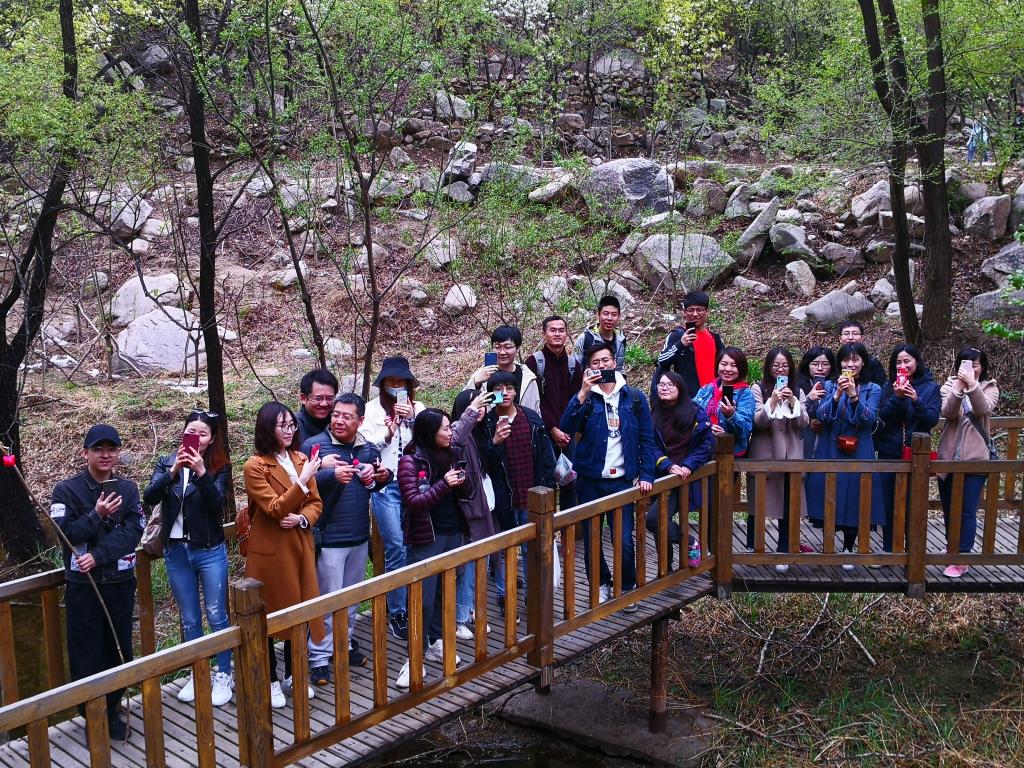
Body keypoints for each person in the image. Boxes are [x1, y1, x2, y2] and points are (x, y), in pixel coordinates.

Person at [52, 424, 143, 742]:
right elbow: (65, 533)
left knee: (119, 649)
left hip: (119, 583)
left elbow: (133, 532)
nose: (105, 455)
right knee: (86, 653)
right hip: (84, 587)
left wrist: (98, 555)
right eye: (98, 449)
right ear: (85, 453)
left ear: (118, 453)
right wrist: (97, 514)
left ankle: (113, 709)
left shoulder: (128, 490)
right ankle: (93, 716)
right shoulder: (66, 491)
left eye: (111, 449)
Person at [143, 411, 233, 707]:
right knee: (190, 618)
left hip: (208, 550)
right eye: (190, 432)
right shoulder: (168, 462)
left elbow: (217, 505)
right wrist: (172, 472)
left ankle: (224, 672)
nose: (196, 438)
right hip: (176, 552)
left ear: (211, 439)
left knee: (217, 614)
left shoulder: (219, 467)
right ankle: (199, 672)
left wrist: (202, 472)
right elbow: (149, 497)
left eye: (202, 434)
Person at [301, 393, 391, 686]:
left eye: (346, 416)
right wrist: (329, 474)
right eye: (336, 414)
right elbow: (299, 486)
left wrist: (382, 476)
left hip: (358, 536)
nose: (339, 420)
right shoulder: (313, 446)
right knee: (327, 601)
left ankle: (344, 644)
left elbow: (373, 484)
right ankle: (318, 658)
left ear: (360, 420)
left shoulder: (367, 449)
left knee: (351, 600)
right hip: (329, 538)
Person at [559, 342, 657, 607]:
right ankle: (601, 583)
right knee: (592, 540)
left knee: (623, 539)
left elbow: (647, 439)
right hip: (590, 481)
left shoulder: (633, 397)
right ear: (588, 367)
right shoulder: (587, 399)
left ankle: (626, 586)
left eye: (605, 360)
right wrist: (582, 392)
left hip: (622, 481)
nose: (601, 365)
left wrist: (647, 474)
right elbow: (566, 427)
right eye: (595, 362)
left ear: (614, 362)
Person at [243, 402, 324, 709]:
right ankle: (270, 679)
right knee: (268, 614)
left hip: (300, 545)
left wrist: (302, 519)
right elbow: (274, 508)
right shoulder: (255, 466)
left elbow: (316, 503)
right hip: (270, 554)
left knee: (299, 608)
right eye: (282, 425)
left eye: (292, 424)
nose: (290, 430)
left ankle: (293, 673)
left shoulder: (301, 458)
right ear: (267, 429)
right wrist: (302, 481)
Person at [395, 409, 473, 689]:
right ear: (430, 432)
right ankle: (413, 658)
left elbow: (464, 494)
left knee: (444, 592)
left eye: (450, 428)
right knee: (422, 599)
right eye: (445, 428)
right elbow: (414, 502)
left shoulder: (451, 454)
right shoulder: (410, 461)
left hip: (454, 533)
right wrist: (444, 484)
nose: (450, 433)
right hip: (427, 537)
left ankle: (437, 641)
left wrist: (462, 482)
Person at [361, 356, 425, 641]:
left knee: (413, 543)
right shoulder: (370, 410)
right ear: (383, 383)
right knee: (395, 545)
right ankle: (397, 611)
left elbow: (431, 438)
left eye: (401, 381)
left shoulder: (418, 409)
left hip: (415, 484)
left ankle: (413, 600)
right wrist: (388, 432)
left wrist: (412, 419)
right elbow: (364, 445)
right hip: (385, 485)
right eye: (391, 381)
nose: (396, 386)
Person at [483, 371, 556, 617]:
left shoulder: (531, 418)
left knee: (530, 548)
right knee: (505, 551)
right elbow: (482, 463)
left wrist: (548, 491)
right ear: (491, 394)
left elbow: (547, 458)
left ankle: (531, 597)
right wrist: (494, 442)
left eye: (509, 388)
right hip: (503, 498)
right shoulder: (486, 423)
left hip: (531, 496)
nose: (504, 393)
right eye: (498, 388)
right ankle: (506, 597)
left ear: (516, 391)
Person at [805, 343, 884, 565]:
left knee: (857, 496)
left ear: (863, 362)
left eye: (855, 359)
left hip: (860, 448)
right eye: (846, 360)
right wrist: (837, 394)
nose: (850, 364)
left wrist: (854, 396)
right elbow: (821, 415)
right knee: (828, 493)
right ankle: (828, 547)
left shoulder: (873, 388)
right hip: (831, 447)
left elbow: (869, 419)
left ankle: (849, 547)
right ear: (839, 363)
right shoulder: (829, 385)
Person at [937, 348, 1000, 578]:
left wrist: (972, 385)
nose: (971, 368)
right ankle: (951, 548)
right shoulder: (949, 385)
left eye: (975, 364)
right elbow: (948, 413)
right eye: (966, 364)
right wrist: (958, 389)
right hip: (948, 458)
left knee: (966, 510)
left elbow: (983, 409)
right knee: (948, 508)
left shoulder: (990, 387)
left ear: (982, 367)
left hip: (976, 460)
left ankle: (962, 557)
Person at [747, 348, 810, 571]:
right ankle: (753, 548)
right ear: (768, 367)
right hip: (765, 453)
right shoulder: (758, 388)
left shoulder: (799, 390)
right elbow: (757, 421)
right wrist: (772, 400)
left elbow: (803, 422)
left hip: (791, 454)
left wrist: (792, 401)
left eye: (784, 365)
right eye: (775, 365)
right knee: (757, 503)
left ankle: (784, 549)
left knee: (788, 504)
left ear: (791, 367)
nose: (780, 370)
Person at [644, 372, 713, 570]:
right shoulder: (654, 411)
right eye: (661, 385)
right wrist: (667, 465)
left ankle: (689, 543)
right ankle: (666, 568)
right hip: (664, 476)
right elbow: (650, 444)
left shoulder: (695, 411)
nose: (664, 388)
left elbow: (706, 444)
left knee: (655, 520)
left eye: (670, 385)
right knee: (658, 521)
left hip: (687, 477)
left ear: (680, 388)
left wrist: (688, 465)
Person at [875, 345, 940, 553]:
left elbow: (931, 419)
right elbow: (882, 417)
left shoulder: (930, 387)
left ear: (916, 362)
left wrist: (915, 399)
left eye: (907, 361)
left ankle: (913, 550)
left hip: (916, 454)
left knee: (913, 504)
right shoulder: (889, 386)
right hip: (889, 452)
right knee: (888, 503)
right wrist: (897, 396)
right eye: (898, 362)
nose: (903, 365)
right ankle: (890, 549)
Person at [451, 390, 500, 637]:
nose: (480, 410)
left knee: (483, 561)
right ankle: (459, 618)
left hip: (484, 508)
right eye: (474, 405)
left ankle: (470, 611)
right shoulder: (457, 431)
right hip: (469, 511)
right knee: (469, 566)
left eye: (482, 405)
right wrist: (472, 411)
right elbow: (455, 442)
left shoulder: (482, 432)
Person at [525, 315, 583, 510]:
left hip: (567, 435)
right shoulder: (534, 363)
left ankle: (568, 526)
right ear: (544, 334)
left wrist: (566, 430)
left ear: (566, 334)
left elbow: (577, 400)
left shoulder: (574, 365)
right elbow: (536, 401)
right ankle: (546, 526)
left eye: (561, 330)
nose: (557, 334)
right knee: (546, 482)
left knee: (570, 481)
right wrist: (552, 428)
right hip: (543, 433)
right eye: (552, 330)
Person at [650, 290, 724, 401]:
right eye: (690, 310)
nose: (695, 314)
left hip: (711, 399)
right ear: (684, 312)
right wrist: (681, 344)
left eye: (699, 310)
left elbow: (723, 367)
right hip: (687, 400)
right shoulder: (677, 335)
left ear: (707, 311)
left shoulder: (715, 338)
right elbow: (661, 360)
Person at [693, 347, 755, 457]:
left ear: (741, 368)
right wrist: (706, 427)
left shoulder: (745, 394)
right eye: (724, 364)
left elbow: (745, 430)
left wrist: (731, 415)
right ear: (718, 365)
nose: (728, 369)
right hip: (701, 450)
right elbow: (689, 415)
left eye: (734, 365)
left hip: (729, 454)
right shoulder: (706, 389)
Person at [466, 325, 541, 413]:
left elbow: (535, 410)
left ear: (517, 348)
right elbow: (463, 405)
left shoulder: (527, 377)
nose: (502, 352)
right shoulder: (482, 375)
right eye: (497, 347)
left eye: (507, 347)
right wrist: (476, 383)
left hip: (522, 421)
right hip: (490, 422)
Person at [796, 347, 837, 458]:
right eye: (815, 364)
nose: (820, 368)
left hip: (828, 443)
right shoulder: (797, 385)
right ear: (807, 365)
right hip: (803, 443)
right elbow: (792, 414)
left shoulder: (837, 386)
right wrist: (809, 398)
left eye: (825, 364)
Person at [573, 295, 626, 371]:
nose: (609, 318)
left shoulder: (621, 339)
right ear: (598, 314)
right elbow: (575, 369)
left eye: (614, 314)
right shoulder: (585, 338)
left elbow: (619, 367)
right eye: (606, 314)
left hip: (613, 378)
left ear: (619, 316)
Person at [296, 369, 339, 444]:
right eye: (318, 398)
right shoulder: (293, 426)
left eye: (329, 398)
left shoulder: (339, 423)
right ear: (303, 398)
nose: (324, 404)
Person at [838, 322, 886, 387]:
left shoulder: (873, 363)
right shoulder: (834, 361)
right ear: (840, 338)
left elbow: (882, 388)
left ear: (862, 338)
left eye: (855, 333)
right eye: (846, 334)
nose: (850, 337)